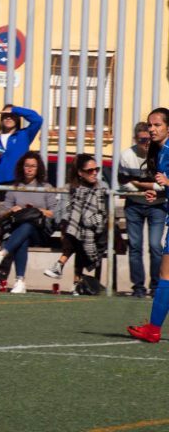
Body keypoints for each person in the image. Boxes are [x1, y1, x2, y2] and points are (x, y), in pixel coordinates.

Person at [0, 152, 58, 294]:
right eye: (27, 166)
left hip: (40, 232)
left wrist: (36, 210)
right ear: (22, 167)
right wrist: (12, 210)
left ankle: (3, 253)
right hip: (19, 232)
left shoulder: (46, 187)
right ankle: (20, 282)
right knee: (23, 238)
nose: (30, 169)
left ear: (38, 168)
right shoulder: (15, 187)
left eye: (33, 166)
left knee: (28, 225)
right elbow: (2, 213)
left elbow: (54, 213)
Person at [128, 107, 169, 343]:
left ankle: (153, 329)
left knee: (166, 276)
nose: (151, 129)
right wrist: (161, 194)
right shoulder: (161, 151)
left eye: (157, 125)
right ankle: (153, 328)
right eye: (149, 125)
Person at [42, 154, 108, 291]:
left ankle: (61, 264)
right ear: (80, 173)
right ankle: (76, 283)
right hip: (78, 233)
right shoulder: (70, 188)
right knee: (77, 226)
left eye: (97, 169)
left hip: (99, 232)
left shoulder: (102, 187)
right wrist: (65, 225)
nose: (95, 173)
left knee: (79, 226)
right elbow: (61, 212)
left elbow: (104, 214)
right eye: (90, 170)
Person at [118, 122, 166, 298]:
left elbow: (163, 184)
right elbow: (123, 182)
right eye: (142, 140)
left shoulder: (162, 155)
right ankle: (138, 288)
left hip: (158, 206)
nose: (146, 143)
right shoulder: (126, 156)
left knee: (155, 245)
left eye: (149, 139)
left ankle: (155, 286)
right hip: (134, 205)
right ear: (135, 139)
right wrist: (148, 188)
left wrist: (141, 184)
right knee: (135, 246)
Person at [0, 104, 43, 200]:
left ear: (17, 119)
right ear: (1, 119)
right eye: (5, 116)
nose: (8, 118)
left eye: (12, 116)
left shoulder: (24, 135)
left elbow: (38, 120)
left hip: (17, 183)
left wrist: (14, 110)